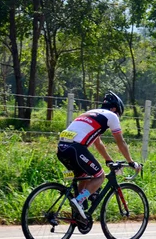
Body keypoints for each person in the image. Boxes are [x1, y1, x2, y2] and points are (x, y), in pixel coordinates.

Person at [56, 91, 141, 219]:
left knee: (84, 176)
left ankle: (79, 215)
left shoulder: (91, 114)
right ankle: (78, 201)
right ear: (114, 109)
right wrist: (131, 162)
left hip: (61, 148)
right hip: (75, 149)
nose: (117, 117)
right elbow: (120, 141)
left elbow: (98, 143)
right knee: (99, 176)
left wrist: (108, 160)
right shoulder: (111, 115)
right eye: (118, 113)